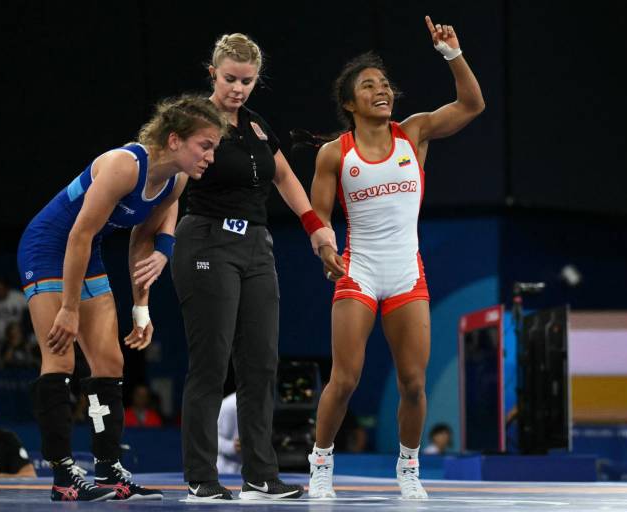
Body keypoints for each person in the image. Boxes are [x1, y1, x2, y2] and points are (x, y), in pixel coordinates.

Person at [307, 16, 485, 500]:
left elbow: (473, 104)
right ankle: (321, 463)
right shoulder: (333, 154)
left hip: (407, 272)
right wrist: (325, 249)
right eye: (369, 86)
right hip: (358, 272)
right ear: (350, 102)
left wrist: (452, 53)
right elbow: (317, 217)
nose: (382, 91)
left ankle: (409, 468)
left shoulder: (415, 134)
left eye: (385, 84)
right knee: (344, 380)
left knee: (412, 382)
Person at [17, 95, 225, 501]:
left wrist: (141, 306)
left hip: (86, 252)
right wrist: (69, 309)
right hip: (48, 248)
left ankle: (109, 468)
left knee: (110, 361)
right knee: (60, 355)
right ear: (175, 139)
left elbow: (146, 237)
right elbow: (77, 234)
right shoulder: (122, 166)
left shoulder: (176, 179)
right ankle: (62, 474)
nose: (211, 157)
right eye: (206, 145)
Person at [172, 33, 337, 502]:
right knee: (210, 362)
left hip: (256, 247)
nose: (237, 89)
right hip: (206, 239)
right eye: (229, 79)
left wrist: (315, 229)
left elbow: (283, 175)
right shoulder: (192, 121)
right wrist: (162, 241)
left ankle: (261, 476)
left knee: (261, 362)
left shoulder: (258, 126)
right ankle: (201, 478)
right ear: (212, 73)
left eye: (246, 81)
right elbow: (172, 182)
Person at [216, 392, 241, 474]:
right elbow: (211, 440)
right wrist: (232, 446)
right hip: (226, 473)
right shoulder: (229, 405)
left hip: (256, 473)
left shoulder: (268, 402)